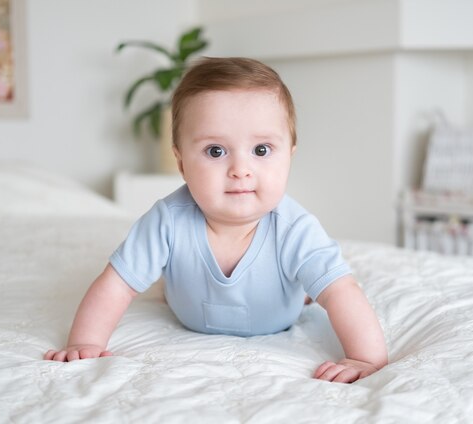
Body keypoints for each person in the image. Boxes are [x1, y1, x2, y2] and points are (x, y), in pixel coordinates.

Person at [45, 57, 388, 383]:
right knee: (155, 272)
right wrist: (85, 341)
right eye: (215, 151)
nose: (240, 170)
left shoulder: (295, 229)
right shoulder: (167, 220)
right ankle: (173, 282)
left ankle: (302, 287)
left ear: (289, 157)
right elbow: (116, 284)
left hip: (280, 314)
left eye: (262, 150)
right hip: (188, 311)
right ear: (181, 163)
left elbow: (343, 292)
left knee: (323, 282)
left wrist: (364, 358)